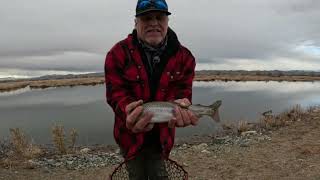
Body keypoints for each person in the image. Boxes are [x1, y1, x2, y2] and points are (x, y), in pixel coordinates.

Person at [104, 0, 198, 179]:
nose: (153, 22)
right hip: (128, 136)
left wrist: (183, 102)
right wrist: (127, 111)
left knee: (158, 173)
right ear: (136, 23)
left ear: (167, 22)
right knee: (136, 174)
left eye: (159, 17)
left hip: (163, 138)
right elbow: (115, 94)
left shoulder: (185, 57)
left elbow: (183, 92)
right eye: (146, 18)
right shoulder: (116, 54)